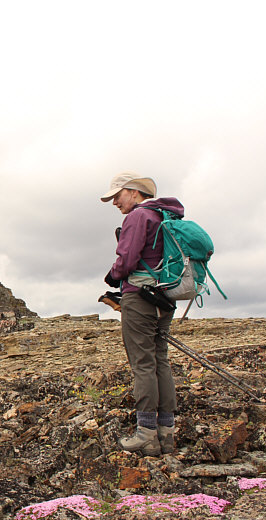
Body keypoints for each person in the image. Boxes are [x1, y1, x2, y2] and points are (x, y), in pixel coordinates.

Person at [101, 171, 183, 456]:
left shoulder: (138, 217)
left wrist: (113, 276)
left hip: (139, 298)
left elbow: (127, 260)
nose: (114, 202)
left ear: (134, 192)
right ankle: (166, 432)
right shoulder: (163, 216)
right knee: (161, 359)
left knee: (143, 363)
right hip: (164, 297)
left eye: (117, 195)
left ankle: (146, 433)